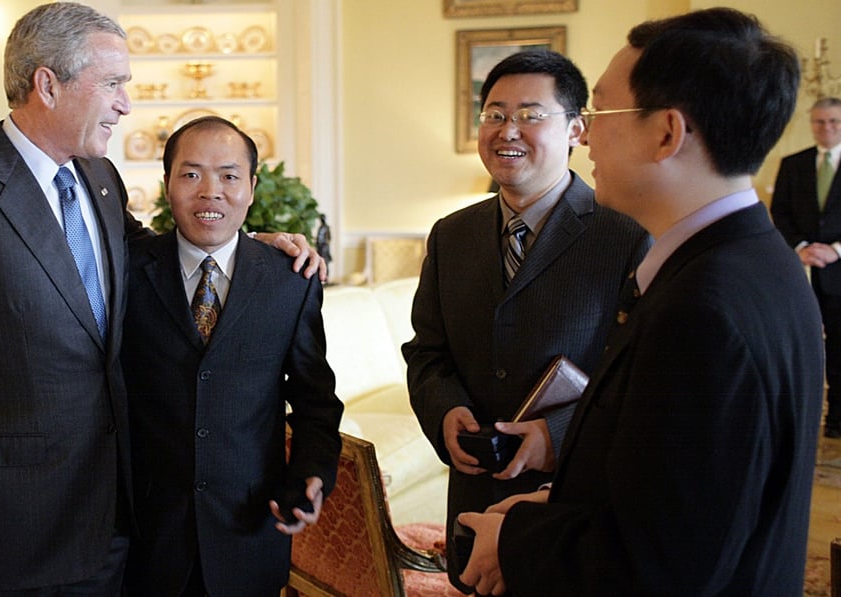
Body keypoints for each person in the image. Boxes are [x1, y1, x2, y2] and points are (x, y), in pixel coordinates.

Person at [0, 4, 322, 596]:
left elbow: (151, 253)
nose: (125, 104)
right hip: (11, 529)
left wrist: (246, 244)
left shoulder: (100, 178)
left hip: (117, 520)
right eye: (112, 83)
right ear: (48, 85)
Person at [457, 8, 824, 595]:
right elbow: (691, 497)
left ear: (666, 134)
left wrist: (517, 540)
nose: (586, 135)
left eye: (601, 113)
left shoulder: (703, 311)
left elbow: (664, 566)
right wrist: (562, 504)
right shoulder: (759, 259)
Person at [402, 49, 650, 590]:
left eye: (530, 115)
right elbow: (426, 352)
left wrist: (556, 435)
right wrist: (445, 413)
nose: (507, 130)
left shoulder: (626, 234)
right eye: (494, 114)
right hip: (473, 496)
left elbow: (641, 380)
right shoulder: (451, 235)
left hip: (570, 505)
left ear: (576, 130)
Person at [119, 116, 343, 596]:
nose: (211, 192)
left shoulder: (290, 281)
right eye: (191, 174)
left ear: (252, 187)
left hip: (250, 529)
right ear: (167, 184)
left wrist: (312, 473)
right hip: (147, 536)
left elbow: (316, 402)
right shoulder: (126, 273)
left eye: (229, 176)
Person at [771, 96, 841, 438]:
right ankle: (800, 421)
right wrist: (801, 248)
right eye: (820, 121)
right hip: (800, 272)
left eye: (834, 121)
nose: (826, 127)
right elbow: (780, 212)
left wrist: (835, 251)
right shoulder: (792, 164)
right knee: (801, 349)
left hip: (838, 272)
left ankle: (837, 421)